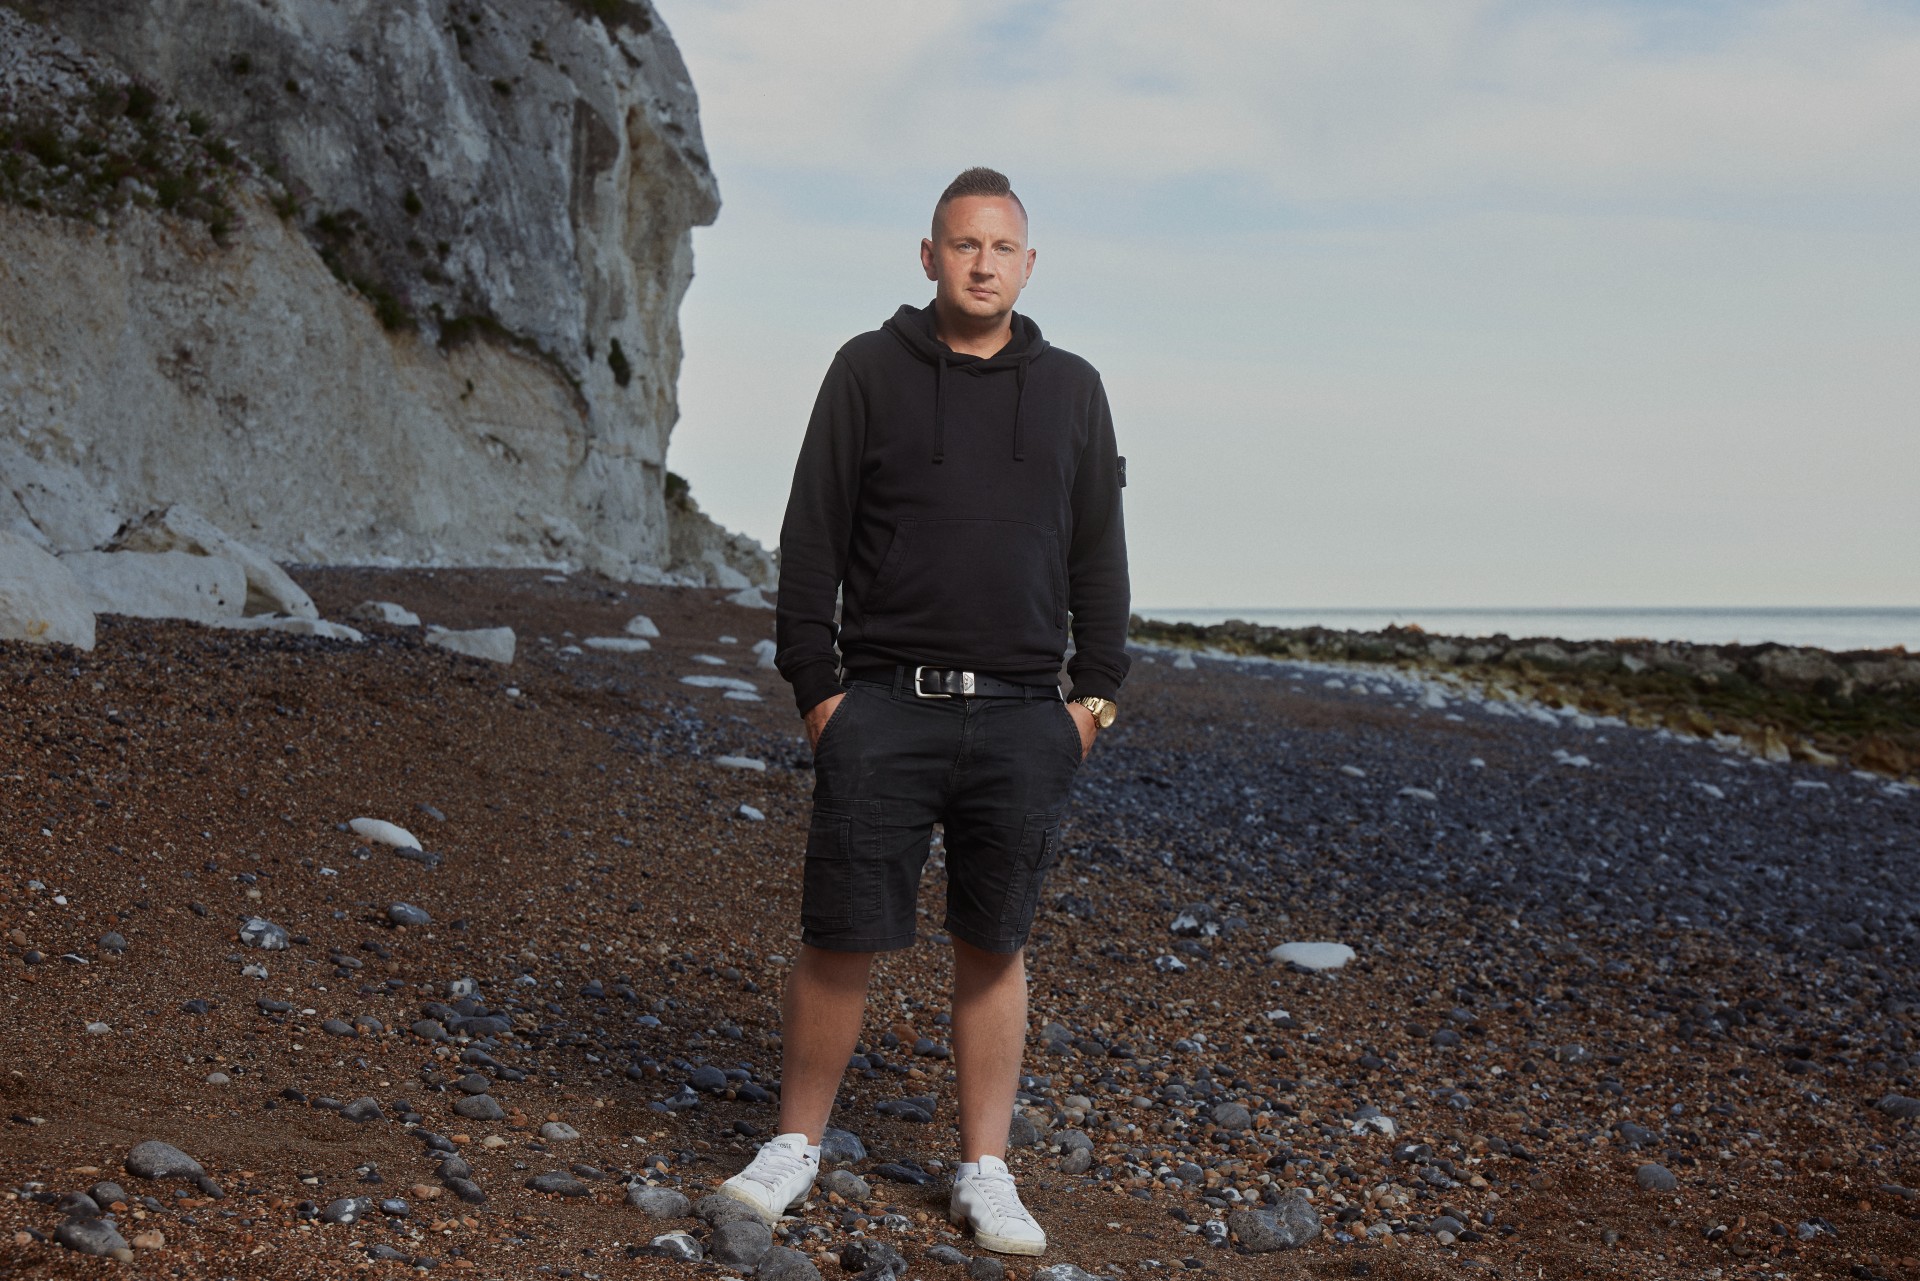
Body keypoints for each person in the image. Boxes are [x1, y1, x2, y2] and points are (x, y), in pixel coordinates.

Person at [718, 166, 1130, 1257]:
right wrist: (819, 694)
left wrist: (1092, 701)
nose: (982, 262)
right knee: (839, 936)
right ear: (929, 256)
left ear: (1028, 264)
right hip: (884, 708)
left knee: (993, 944)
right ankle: (796, 1145)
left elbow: (1099, 554)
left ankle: (986, 1168)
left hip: (1023, 716)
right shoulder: (866, 371)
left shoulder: (1075, 388)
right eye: (963, 244)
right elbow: (811, 540)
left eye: (1001, 247)